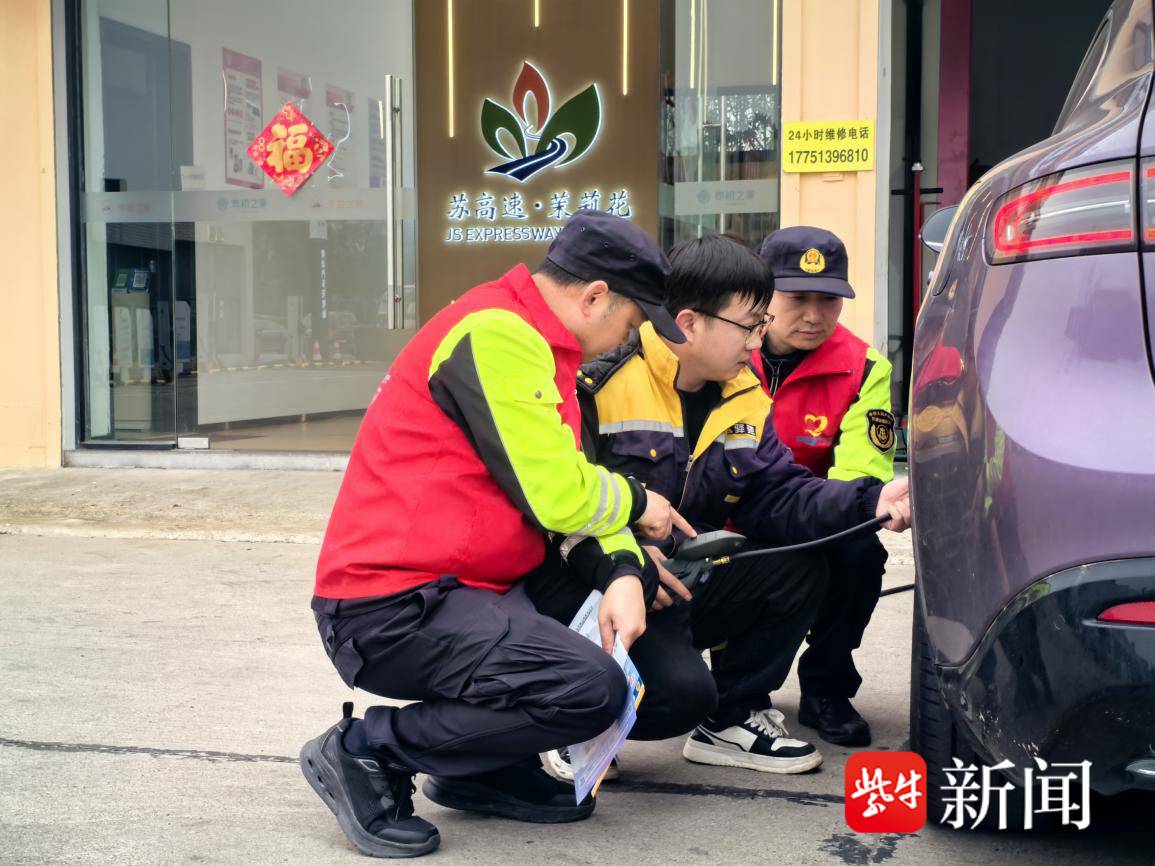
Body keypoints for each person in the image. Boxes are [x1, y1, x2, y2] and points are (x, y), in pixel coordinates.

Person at [300, 211, 693, 858]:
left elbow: (572, 489)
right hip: (391, 603)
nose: (628, 339)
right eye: (630, 322)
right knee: (589, 687)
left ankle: (480, 766)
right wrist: (638, 501)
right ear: (595, 296)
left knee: (665, 669)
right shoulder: (496, 334)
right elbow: (557, 494)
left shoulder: (542, 348)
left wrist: (626, 571)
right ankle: (368, 750)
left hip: (475, 582)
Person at [528, 234, 909, 778]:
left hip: (674, 579)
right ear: (688, 322)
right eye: (750, 325)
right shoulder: (600, 381)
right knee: (676, 694)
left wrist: (871, 500)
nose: (758, 340)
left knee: (797, 566)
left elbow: (776, 493)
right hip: (589, 581)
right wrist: (624, 562)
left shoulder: (744, 394)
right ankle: (568, 716)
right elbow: (553, 504)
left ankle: (731, 717)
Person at [750, 225, 897, 747]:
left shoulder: (864, 368)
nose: (814, 315)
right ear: (762, 296)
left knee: (861, 552)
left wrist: (813, 522)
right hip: (730, 509)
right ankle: (742, 692)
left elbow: (861, 473)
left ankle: (827, 687)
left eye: (828, 300)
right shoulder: (722, 349)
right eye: (797, 299)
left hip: (814, 516)